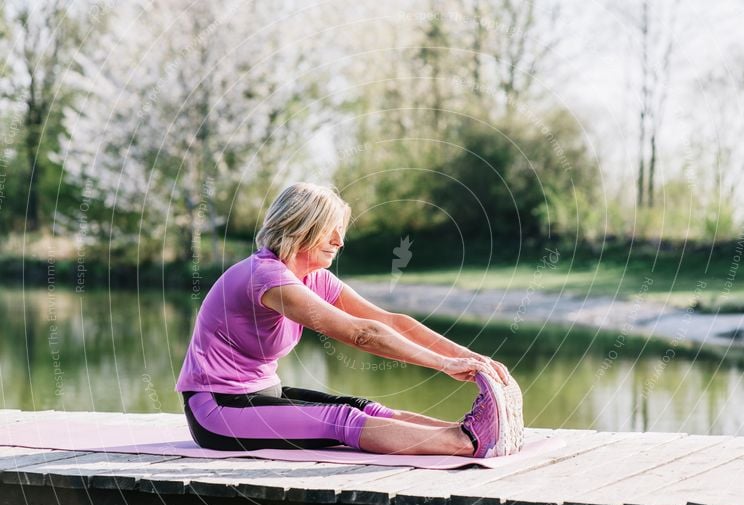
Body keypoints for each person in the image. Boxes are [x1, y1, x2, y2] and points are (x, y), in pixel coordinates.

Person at [176, 182, 514, 457]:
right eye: (330, 231)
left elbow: (390, 321)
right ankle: (468, 441)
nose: (340, 241)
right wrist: (444, 363)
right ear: (300, 228)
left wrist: (472, 358)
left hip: (264, 394)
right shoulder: (267, 278)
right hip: (217, 410)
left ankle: (475, 432)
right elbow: (362, 334)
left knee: (364, 408)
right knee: (341, 420)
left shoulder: (310, 276)